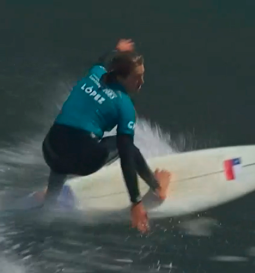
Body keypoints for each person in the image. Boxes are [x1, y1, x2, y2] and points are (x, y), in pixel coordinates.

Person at [40, 38, 171, 234]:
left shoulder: (95, 73)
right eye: (137, 77)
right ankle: (157, 187)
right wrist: (136, 202)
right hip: (81, 163)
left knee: (68, 140)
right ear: (121, 77)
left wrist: (117, 50)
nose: (141, 82)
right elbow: (127, 155)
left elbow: (103, 59)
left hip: (49, 150)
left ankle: (50, 200)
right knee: (126, 146)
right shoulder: (124, 106)